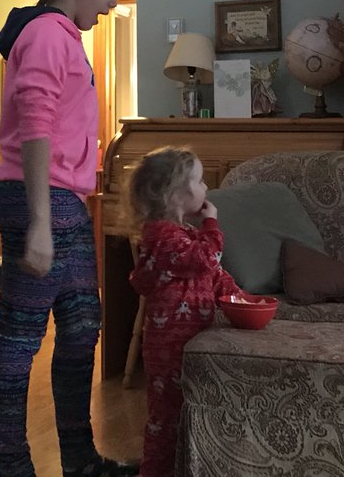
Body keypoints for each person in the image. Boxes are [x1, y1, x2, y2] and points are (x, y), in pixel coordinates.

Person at [0, 0, 135, 477]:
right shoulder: (49, 34)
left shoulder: (64, 36)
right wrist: (40, 222)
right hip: (40, 197)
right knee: (20, 335)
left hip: (60, 196)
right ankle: (14, 466)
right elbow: (35, 126)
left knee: (81, 326)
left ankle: (80, 461)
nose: (112, 2)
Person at [127, 147, 244, 477]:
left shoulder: (185, 235)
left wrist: (242, 301)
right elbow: (206, 259)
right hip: (170, 347)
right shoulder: (164, 237)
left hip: (191, 339)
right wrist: (211, 224)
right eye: (200, 180)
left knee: (188, 413)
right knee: (166, 420)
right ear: (175, 194)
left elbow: (214, 275)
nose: (206, 187)